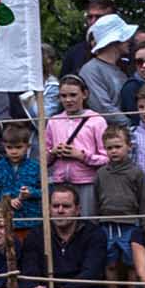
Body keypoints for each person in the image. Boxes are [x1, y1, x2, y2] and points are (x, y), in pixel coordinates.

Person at [21, 185, 110, 288]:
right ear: (48, 209)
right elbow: (28, 270)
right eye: (55, 206)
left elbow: (91, 272)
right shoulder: (36, 235)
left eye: (66, 206)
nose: (60, 210)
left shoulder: (95, 233)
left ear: (77, 209)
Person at [93, 125, 145, 288]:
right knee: (110, 263)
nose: (113, 151)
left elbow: (144, 201)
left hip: (130, 225)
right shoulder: (101, 173)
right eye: (109, 148)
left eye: (118, 147)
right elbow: (97, 200)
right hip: (107, 225)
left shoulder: (136, 173)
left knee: (132, 264)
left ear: (129, 146)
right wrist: (97, 222)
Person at [43, 74, 106, 215]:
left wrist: (82, 156)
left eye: (73, 95)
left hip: (87, 182)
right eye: (63, 96)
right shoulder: (53, 121)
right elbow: (43, 159)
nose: (68, 100)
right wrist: (53, 152)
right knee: (61, 222)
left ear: (84, 94)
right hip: (60, 182)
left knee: (87, 221)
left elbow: (106, 157)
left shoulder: (96, 120)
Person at [0, 122, 42, 249]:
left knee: (31, 252)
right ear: (4, 146)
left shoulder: (35, 167)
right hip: (7, 222)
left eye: (18, 147)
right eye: (9, 147)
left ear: (27, 146)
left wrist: (31, 193)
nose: (14, 151)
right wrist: (7, 201)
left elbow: (46, 191)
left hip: (32, 221)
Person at [77, 13, 136, 121]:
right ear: (114, 41)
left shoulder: (121, 68)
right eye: (125, 37)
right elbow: (103, 108)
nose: (129, 40)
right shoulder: (91, 70)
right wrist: (131, 126)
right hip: (108, 134)